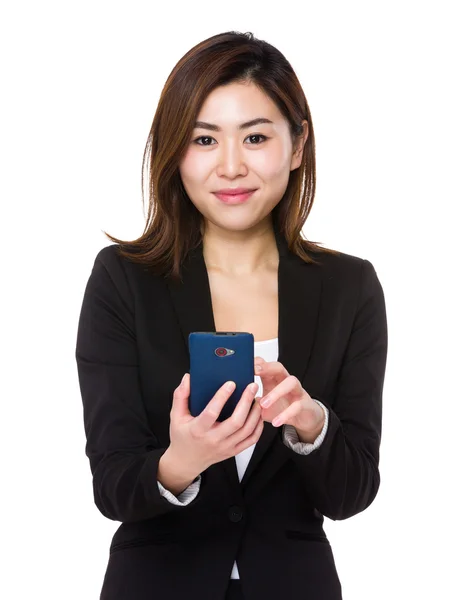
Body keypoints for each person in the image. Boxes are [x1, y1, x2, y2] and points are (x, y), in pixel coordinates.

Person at [75, 31, 388, 600]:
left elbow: (352, 492)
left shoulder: (350, 287)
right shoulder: (124, 280)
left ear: (296, 147)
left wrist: (310, 424)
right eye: (204, 139)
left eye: (256, 136)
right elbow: (113, 485)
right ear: (176, 152)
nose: (231, 165)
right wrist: (180, 462)